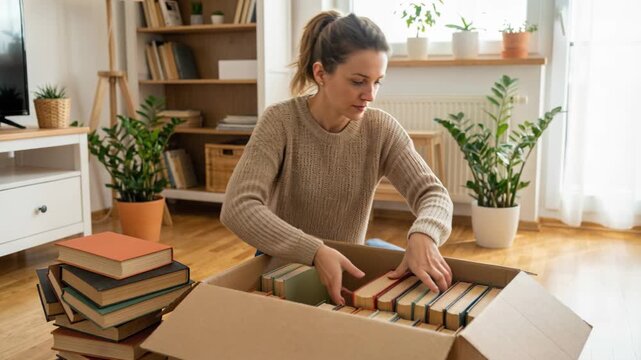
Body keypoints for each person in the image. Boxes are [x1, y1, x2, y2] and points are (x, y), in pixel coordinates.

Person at [220, 11, 453, 306]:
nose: (370, 95)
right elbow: (238, 207)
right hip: (283, 273)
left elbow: (433, 194)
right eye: (358, 81)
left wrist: (424, 234)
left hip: (346, 272)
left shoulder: (380, 128)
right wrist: (314, 251)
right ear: (320, 73)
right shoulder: (280, 121)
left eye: (377, 82)